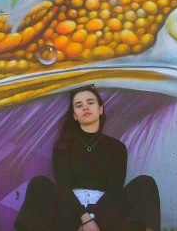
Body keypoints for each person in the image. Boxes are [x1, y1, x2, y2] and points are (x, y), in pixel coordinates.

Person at [14, 84, 160, 231]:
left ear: (100, 109)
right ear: (74, 116)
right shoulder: (63, 146)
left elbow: (114, 189)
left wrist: (92, 218)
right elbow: (64, 187)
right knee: (39, 183)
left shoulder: (116, 147)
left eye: (90, 102)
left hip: (106, 212)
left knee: (145, 183)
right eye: (79, 105)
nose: (85, 107)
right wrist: (85, 219)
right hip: (71, 213)